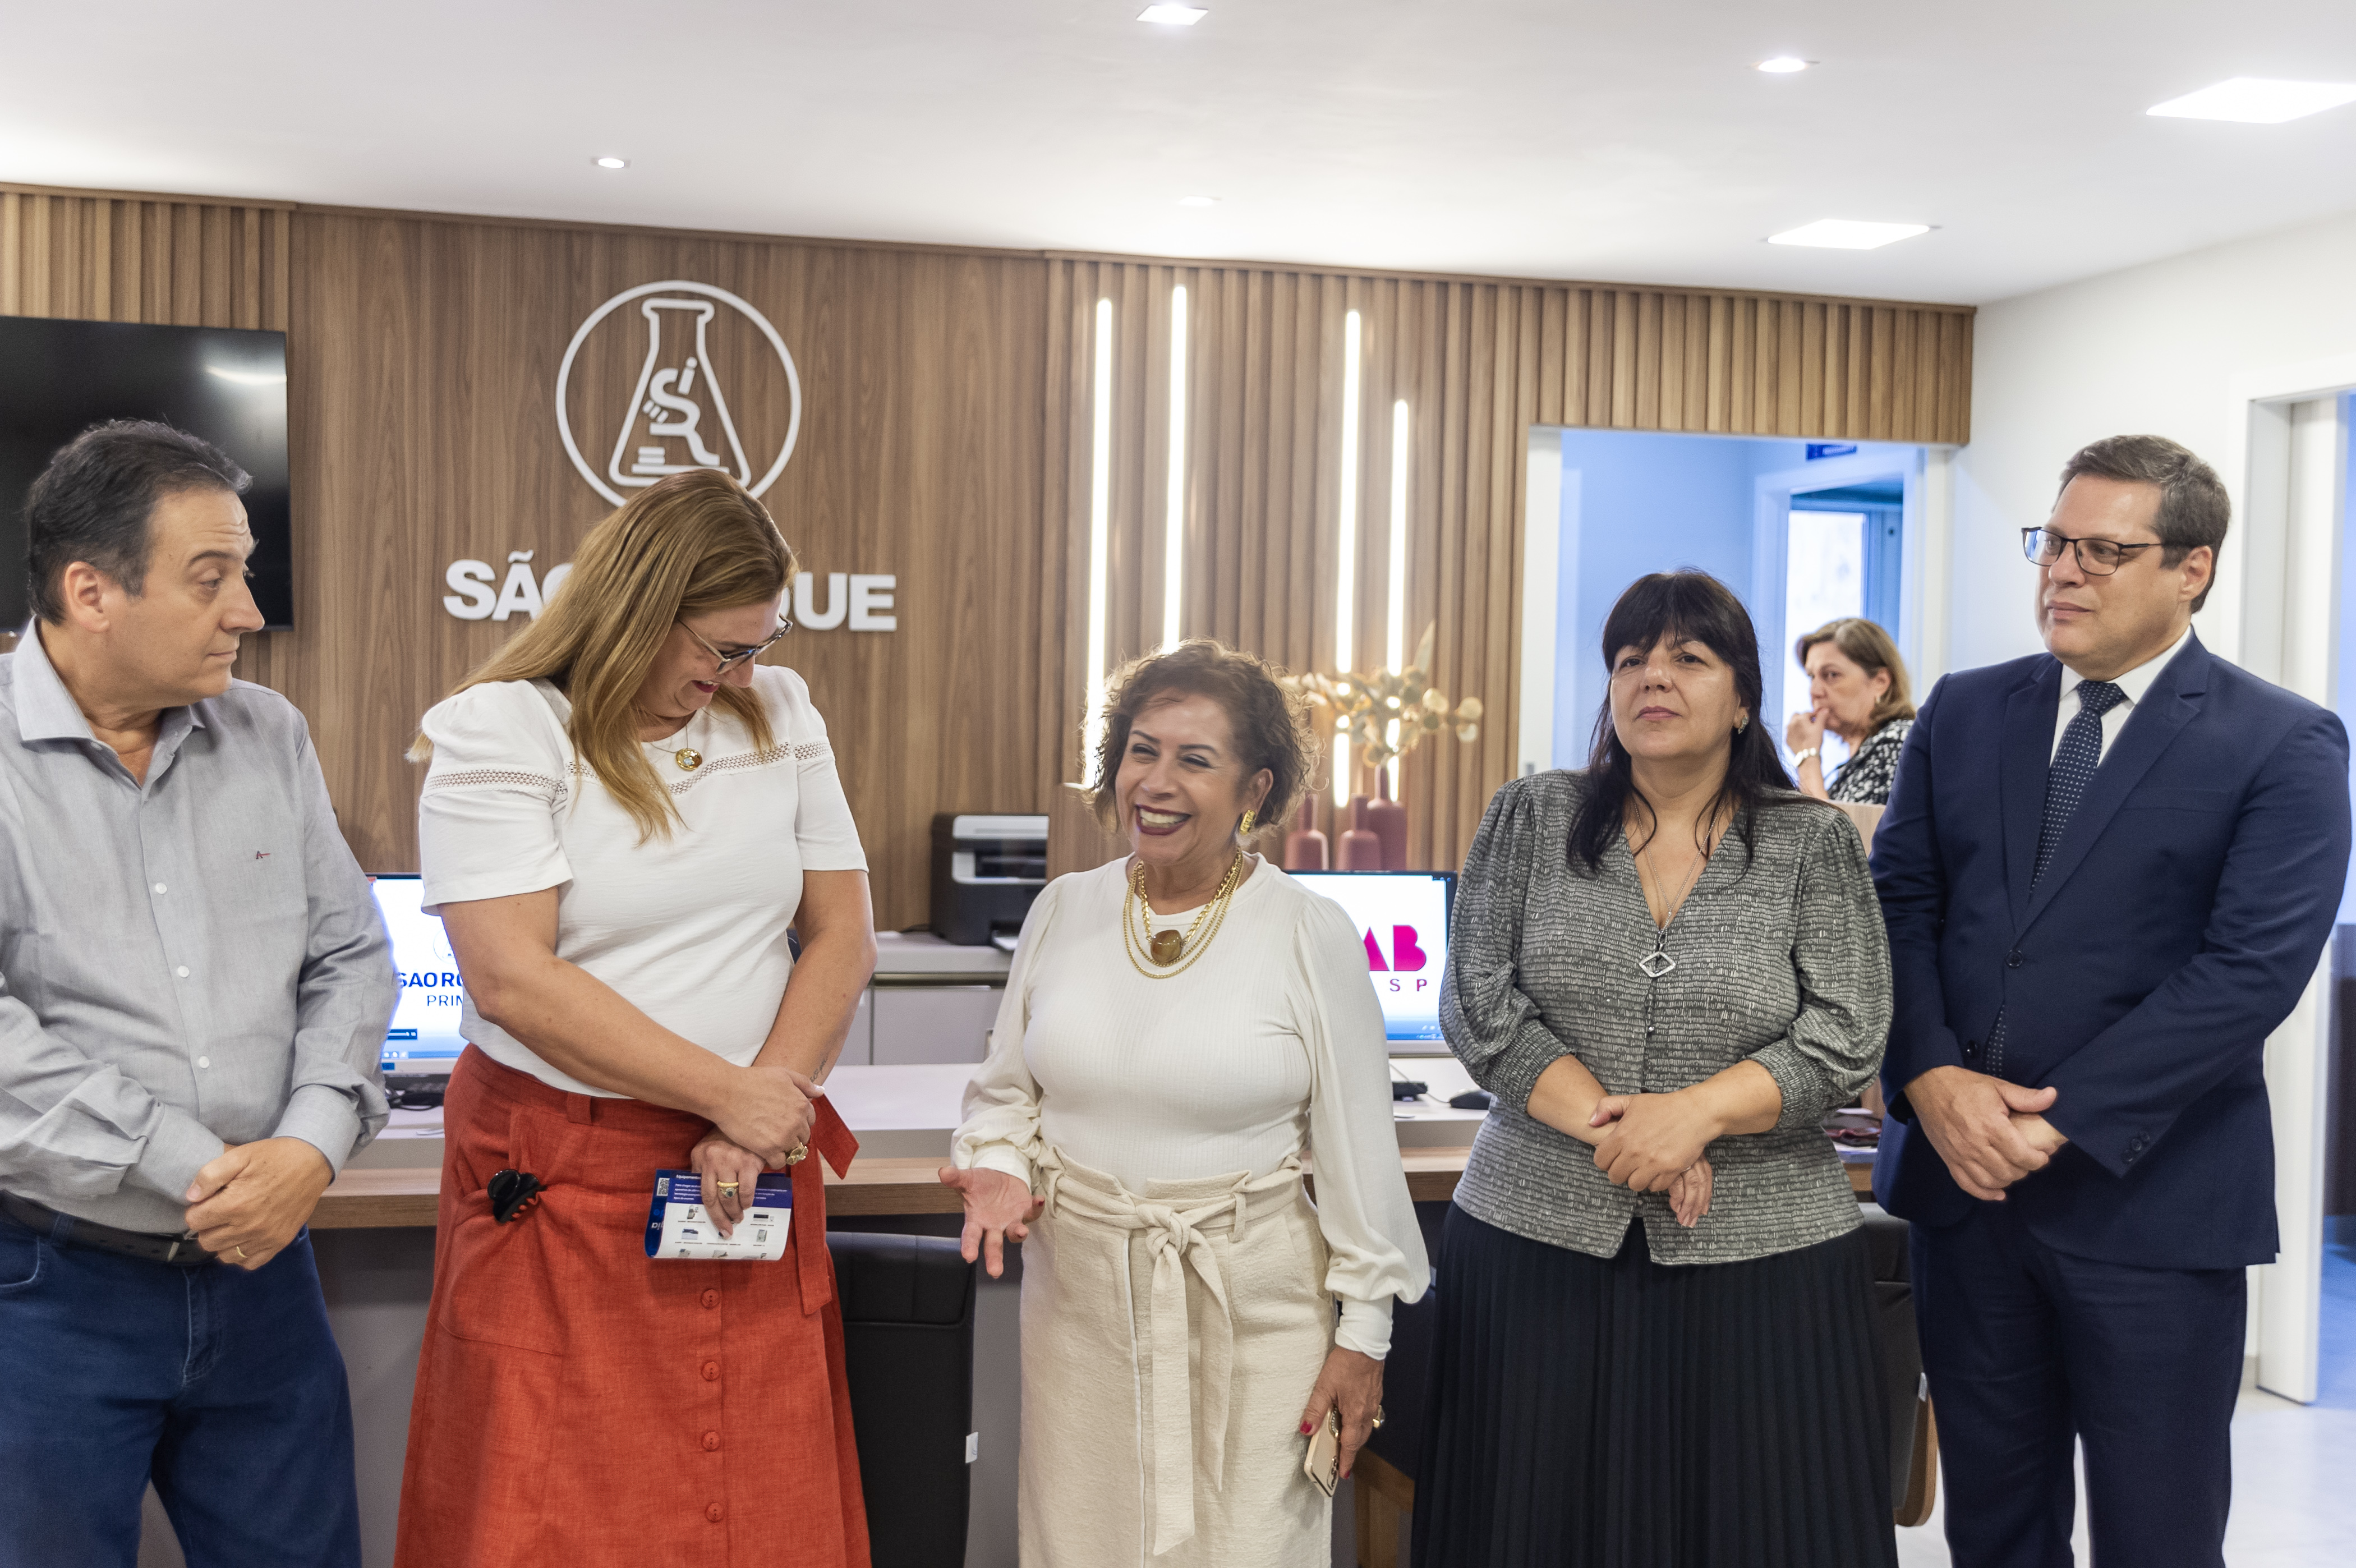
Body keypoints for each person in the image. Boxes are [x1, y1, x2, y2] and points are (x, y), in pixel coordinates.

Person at [1871, 434, 2349, 1568]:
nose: (2063, 572)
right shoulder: (1965, 708)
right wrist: (1931, 1078)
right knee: (1994, 1523)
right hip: (1963, 1197)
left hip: (2152, 1205)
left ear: (2193, 568)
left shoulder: (2281, 741)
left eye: (2103, 551)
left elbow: (2248, 972)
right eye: (2052, 544)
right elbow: (1898, 903)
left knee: (2157, 1532)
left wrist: (2052, 1121)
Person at [395, 469, 878, 1568]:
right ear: (638, 612)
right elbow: (511, 978)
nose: (738, 674)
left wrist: (760, 1111)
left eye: (756, 646)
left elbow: (842, 934)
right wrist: (729, 1095)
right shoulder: (504, 727)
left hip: (746, 1157)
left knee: (758, 1506)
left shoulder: (781, 711)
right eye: (719, 648)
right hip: (564, 1173)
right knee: (546, 1509)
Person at [1414, 570, 1898, 1568]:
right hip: (1534, 1239)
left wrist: (1700, 1115)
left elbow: (1850, 1028)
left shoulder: (1811, 840)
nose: (1653, 678)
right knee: (1529, 1521)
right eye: (1631, 659)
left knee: (1763, 1523)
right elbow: (1479, 1005)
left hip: (1765, 1258)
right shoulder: (1532, 816)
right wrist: (1632, 1130)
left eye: (1688, 657)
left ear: (1744, 697)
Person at [0, 421, 397, 1567]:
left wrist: (310, 1146)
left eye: (246, 574)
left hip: (267, 1279)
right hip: (49, 1287)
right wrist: (200, 1165)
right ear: (91, 590)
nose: (248, 612)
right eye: (211, 577)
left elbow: (349, 956)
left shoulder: (268, 735)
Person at [944, 640, 1428, 1567]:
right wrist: (998, 1165)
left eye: (1194, 760)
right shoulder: (1063, 910)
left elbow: (1361, 1158)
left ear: (1255, 787)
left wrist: (1364, 1338)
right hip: (1079, 1311)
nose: (1156, 782)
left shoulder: (1308, 931)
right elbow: (1005, 1095)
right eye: (1142, 750)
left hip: (1258, 1318)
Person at [1784, 616, 1916, 805]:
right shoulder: (1867, 751)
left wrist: (1807, 757)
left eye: (1832, 675)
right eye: (1812, 677)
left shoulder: (1897, 743)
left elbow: (1836, 825)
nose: (1814, 691)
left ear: (1880, 682)